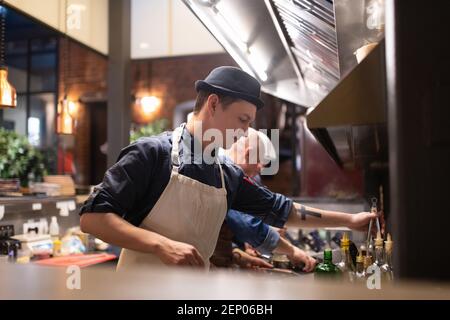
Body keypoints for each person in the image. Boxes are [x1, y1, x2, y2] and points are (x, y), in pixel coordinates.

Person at [79, 66, 379, 270]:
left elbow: (280, 209)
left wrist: (350, 221)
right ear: (212, 103)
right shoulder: (151, 153)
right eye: (242, 120)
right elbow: (93, 219)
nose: (245, 131)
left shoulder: (226, 173)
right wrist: (160, 245)